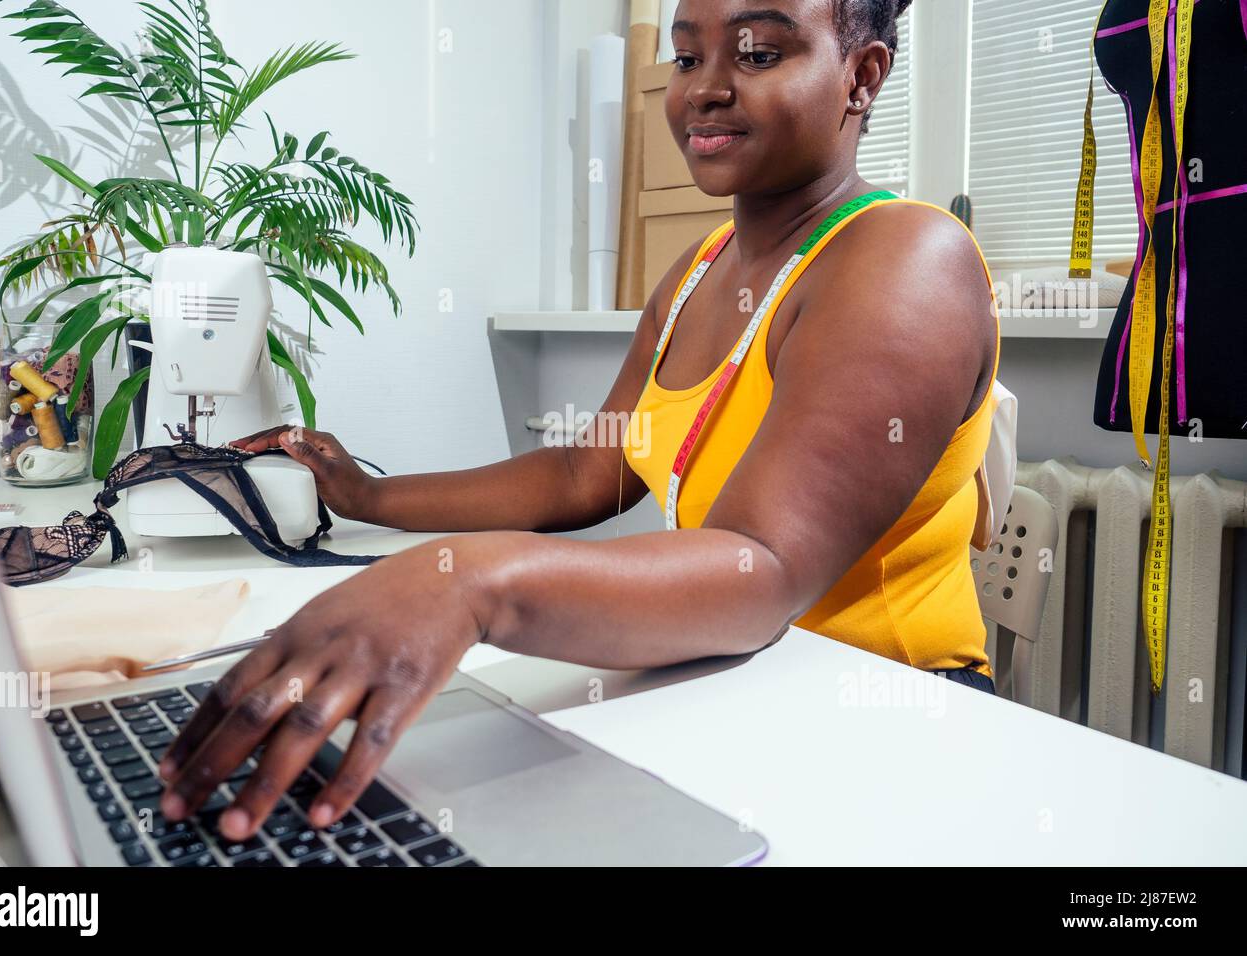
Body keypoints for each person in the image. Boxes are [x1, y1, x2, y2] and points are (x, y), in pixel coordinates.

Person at [160, 0, 998, 842]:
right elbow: (583, 474)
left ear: (862, 77)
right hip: (741, 680)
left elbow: (763, 569)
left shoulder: (907, 262)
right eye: (685, 58)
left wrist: (468, 583)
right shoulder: (701, 271)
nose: (704, 91)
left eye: (757, 54)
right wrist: (364, 497)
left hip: (889, 722)